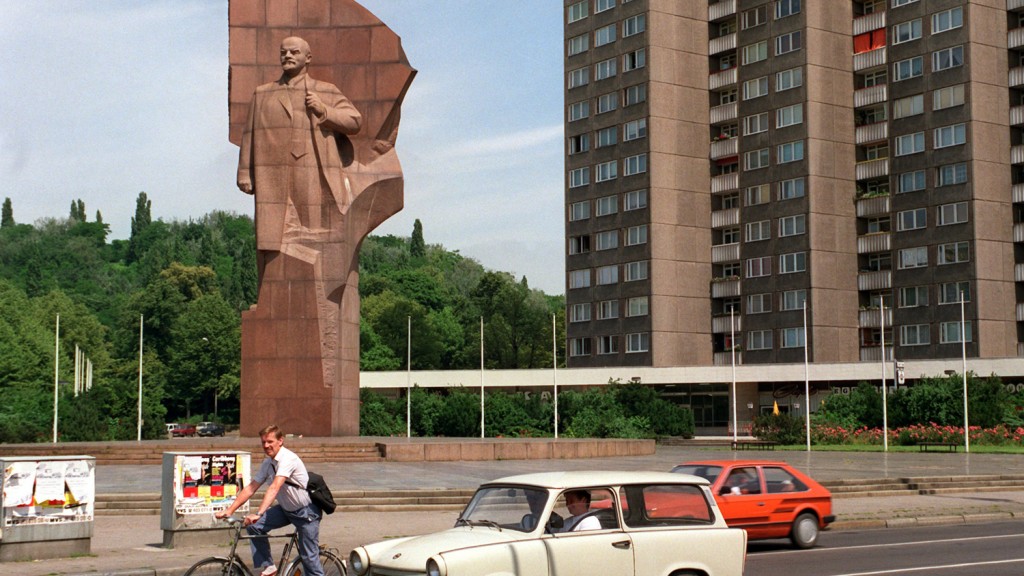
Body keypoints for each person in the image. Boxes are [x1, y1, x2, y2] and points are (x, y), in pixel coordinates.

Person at [236, 36, 362, 286]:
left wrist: (324, 110)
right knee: (271, 235)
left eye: (294, 52)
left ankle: (319, 288)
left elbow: (355, 121)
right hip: (272, 173)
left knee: (312, 231)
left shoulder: (325, 90)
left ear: (308, 58)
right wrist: (244, 172)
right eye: (283, 52)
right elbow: (249, 133)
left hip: (311, 169)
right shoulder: (263, 93)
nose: (288, 56)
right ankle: (269, 292)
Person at [216, 425, 323, 576]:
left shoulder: (288, 459)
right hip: (286, 510)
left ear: (280, 441)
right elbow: (251, 488)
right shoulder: (268, 464)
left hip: (306, 513)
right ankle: (269, 567)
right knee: (254, 527)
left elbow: (274, 487)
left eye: (270, 441)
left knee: (309, 559)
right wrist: (230, 510)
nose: (266, 446)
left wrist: (259, 513)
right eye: (263, 442)